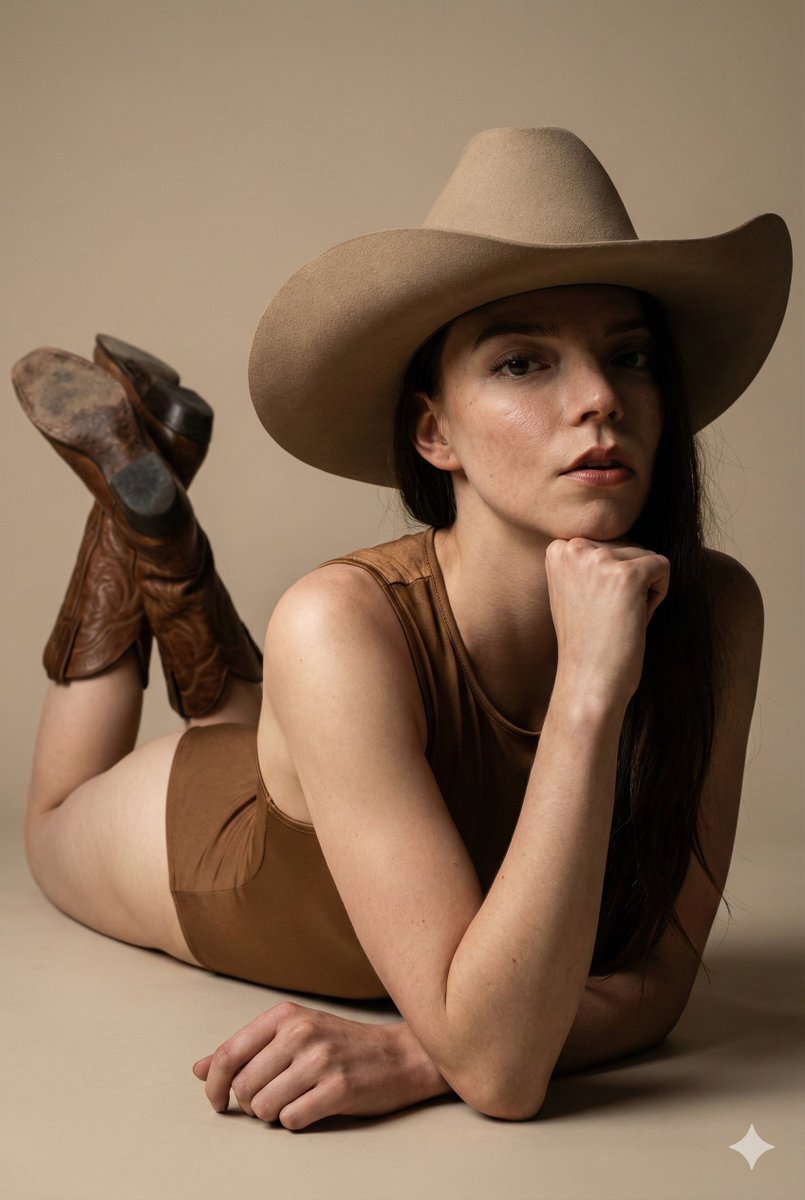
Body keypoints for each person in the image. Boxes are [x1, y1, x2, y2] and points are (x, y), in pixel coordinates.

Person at [13, 128, 791, 1129]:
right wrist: (590, 687)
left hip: (346, 755)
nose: (599, 399)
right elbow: (508, 1074)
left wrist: (422, 1051)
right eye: (523, 363)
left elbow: (651, 992)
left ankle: (165, 534)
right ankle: (131, 522)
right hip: (232, 845)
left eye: (627, 356)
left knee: (280, 706)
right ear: (433, 433)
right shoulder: (340, 626)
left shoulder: (717, 610)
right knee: (50, 823)